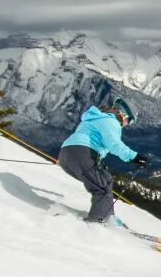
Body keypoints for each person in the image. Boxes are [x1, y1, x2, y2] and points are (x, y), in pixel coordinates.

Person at [56, 95, 152, 224]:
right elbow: (115, 145)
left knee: (105, 179)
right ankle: (97, 222)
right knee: (102, 187)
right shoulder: (111, 122)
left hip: (66, 154)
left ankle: (108, 216)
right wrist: (135, 157)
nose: (127, 124)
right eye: (130, 120)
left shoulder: (96, 118)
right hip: (82, 153)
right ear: (124, 115)